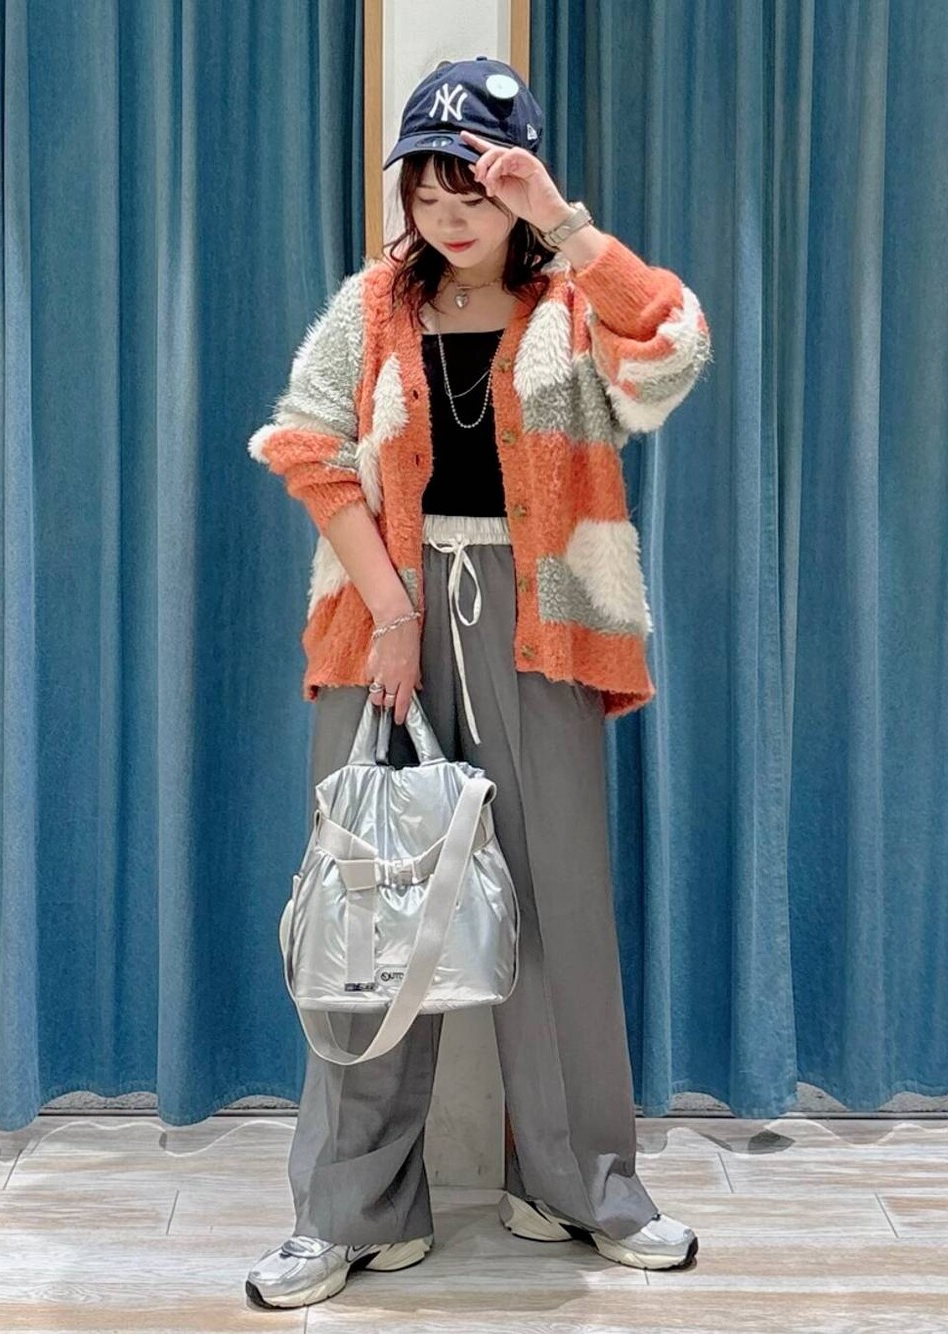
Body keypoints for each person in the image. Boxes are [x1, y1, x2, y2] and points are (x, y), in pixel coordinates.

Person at [244, 56, 712, 1311]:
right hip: (380, 619)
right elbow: (305, 446)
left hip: (540, 622)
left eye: (478, 190)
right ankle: (350, 1212)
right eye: (429, 190)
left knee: (558, 913)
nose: (451, 216)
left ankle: (580, 1188)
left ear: (517, 192)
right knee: (368, 919)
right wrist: (393, 612)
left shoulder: (571, 302)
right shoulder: (370, 308)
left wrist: (563, 220)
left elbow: (671, 347)